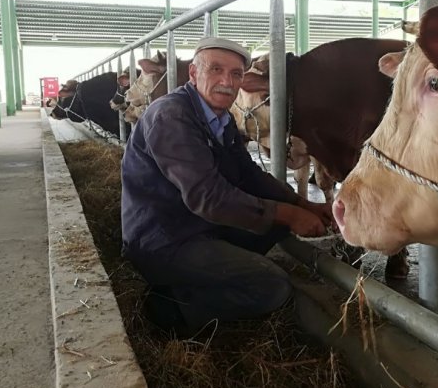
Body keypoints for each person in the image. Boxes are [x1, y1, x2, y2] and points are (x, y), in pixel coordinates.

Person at [120, 36, 332, 337]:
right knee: (271, 285)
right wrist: (289, 214)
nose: (226, 81)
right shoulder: (171, 116)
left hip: (197, 224)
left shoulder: (219, 118)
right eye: (216, 70)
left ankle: (205, 276)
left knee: (277, 224)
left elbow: (247, 173)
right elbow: (207, 197)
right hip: (164, 239)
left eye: (235, 74)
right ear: (194, 74)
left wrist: (302, 205)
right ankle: (170, 307)